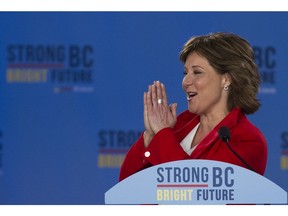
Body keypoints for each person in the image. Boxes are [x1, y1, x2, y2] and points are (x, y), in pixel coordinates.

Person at [119, 32, 268, 181]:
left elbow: (198, 191)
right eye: (185, 72)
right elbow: (126, 185)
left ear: (226, 79)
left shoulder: (248, 141)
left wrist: (162, 134)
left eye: (197, 72)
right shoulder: (180, 123)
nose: (185, 82)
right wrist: (150, 136)